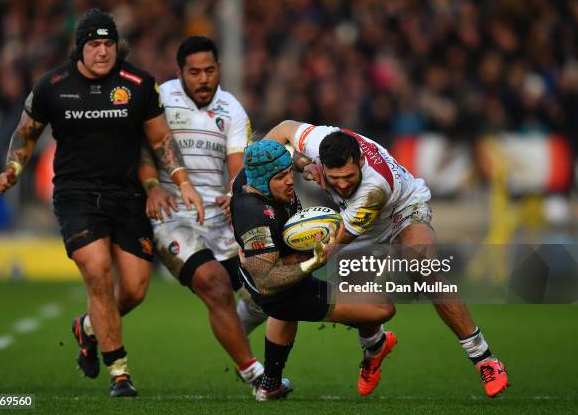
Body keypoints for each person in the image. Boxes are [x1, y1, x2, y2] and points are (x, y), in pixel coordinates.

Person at [0, 8, 204, 397]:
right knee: (98, 271)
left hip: (127, 195)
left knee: (137, 289)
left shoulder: (138, 83)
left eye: (108, 44)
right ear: (81, 48)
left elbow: (160, 140)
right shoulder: (52, 86)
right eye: (94, 44)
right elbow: (25, 134)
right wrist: (14, 168)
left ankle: (87, 327)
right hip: (76, 195)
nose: (103, 52)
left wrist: (182, 181)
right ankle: (119, 372)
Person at [264, 120, 509, 398]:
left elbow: (333, 246)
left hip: (401, 212)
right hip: (354, 220)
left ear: (360, 160)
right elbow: (282, 130)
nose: (342, 184)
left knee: (424, 272)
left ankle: (485, 359)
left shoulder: (374, 186)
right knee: (360, 299)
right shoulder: (319, 140)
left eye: (348, 176)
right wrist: (300, 164)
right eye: (335, 178)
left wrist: (294, 268)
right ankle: (375, 348)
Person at [137, 36, 267, 391]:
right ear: (179, 72)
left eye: (209, 70)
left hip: (218, 218)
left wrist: (232, 193)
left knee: (264, 297)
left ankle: (89, 326)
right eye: (194, 72)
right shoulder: (160, 98)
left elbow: (237, 166)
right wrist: (153, 186)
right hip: (171, 214)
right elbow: (144, 149)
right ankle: (256, 376)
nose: (203, 79)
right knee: (215, 285)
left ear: (219, 69)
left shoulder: (233, 109)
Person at [230, 139, 397, 402]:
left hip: (283, 274)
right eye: (281, 177)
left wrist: (305, 165)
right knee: (382, 308)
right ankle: (375, 346)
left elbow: (287, 154)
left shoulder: (254, 173)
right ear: (263, 182)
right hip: (277, 290)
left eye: (288, 173)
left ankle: (270, 385)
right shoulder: (255, 218)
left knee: (288, 310)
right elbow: (268, 281)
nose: (290, 181)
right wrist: (311, 263)